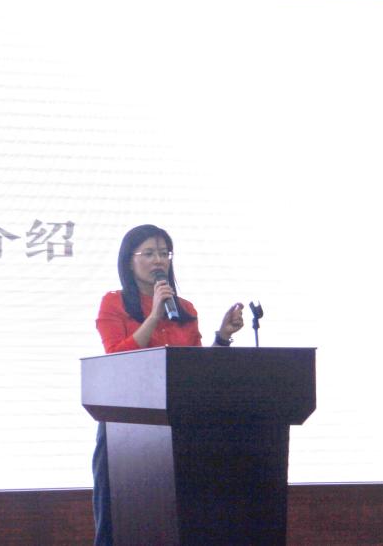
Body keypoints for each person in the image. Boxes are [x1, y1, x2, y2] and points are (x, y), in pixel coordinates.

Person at [91, 224, 244, 546]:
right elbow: (115, 358)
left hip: (180, 425)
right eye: (148, 253)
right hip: (125, 428)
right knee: (118, 516)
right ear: (129, 260)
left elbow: (196, 370)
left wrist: (222, 336)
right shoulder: (113, 303)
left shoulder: (185, 309)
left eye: (164, 253)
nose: (158, 260)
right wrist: (153, 315)